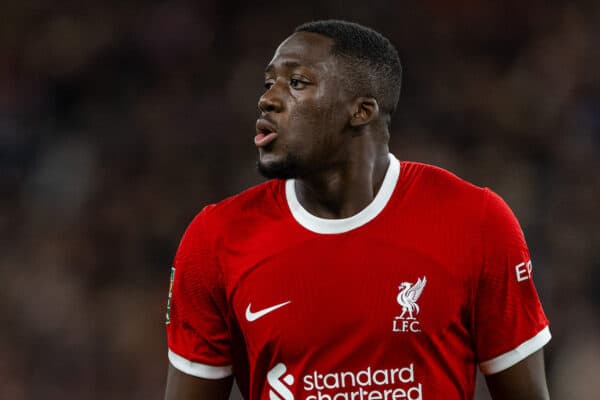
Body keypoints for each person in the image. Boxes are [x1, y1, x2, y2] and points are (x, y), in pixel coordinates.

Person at [164, 20, 551, 400]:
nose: (267, 99)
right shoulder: (215, 238)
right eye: (269, 84)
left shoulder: (476, 220)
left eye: (297, 83)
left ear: (361, 111)